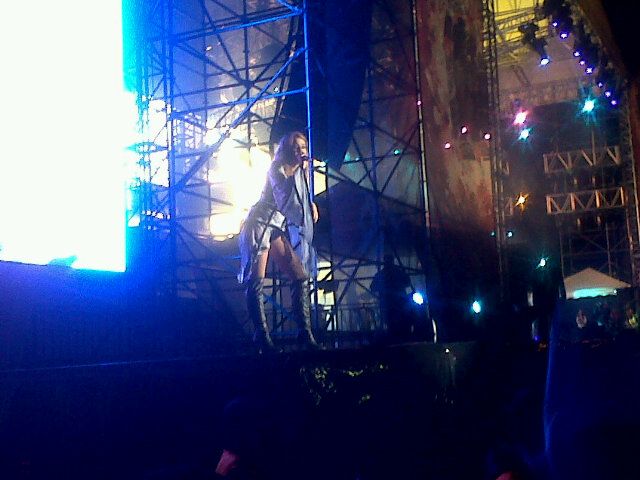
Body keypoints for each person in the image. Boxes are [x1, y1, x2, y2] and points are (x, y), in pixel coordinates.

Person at [238, 131, 320, 352]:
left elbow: (299, 199)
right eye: (296, 148)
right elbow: (286, 197)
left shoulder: (299, 173)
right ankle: (262, 336)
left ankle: (305, 333)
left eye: (303, 147)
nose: (300, 151)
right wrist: (304, 207)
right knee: (257, 280)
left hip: (275, 226)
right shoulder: (277, 169)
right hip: (259, 223)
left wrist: (309, 204)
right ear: (287, 150)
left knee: (300, 276)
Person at [370, 254, 413, 342]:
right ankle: (399, 338)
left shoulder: (382, 274)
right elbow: (408, 282)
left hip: (391, 303)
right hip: (395, 303)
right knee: (396, 321)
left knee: (393, 322)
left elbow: (373, 287)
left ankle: (396, 338)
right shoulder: (397, 273)